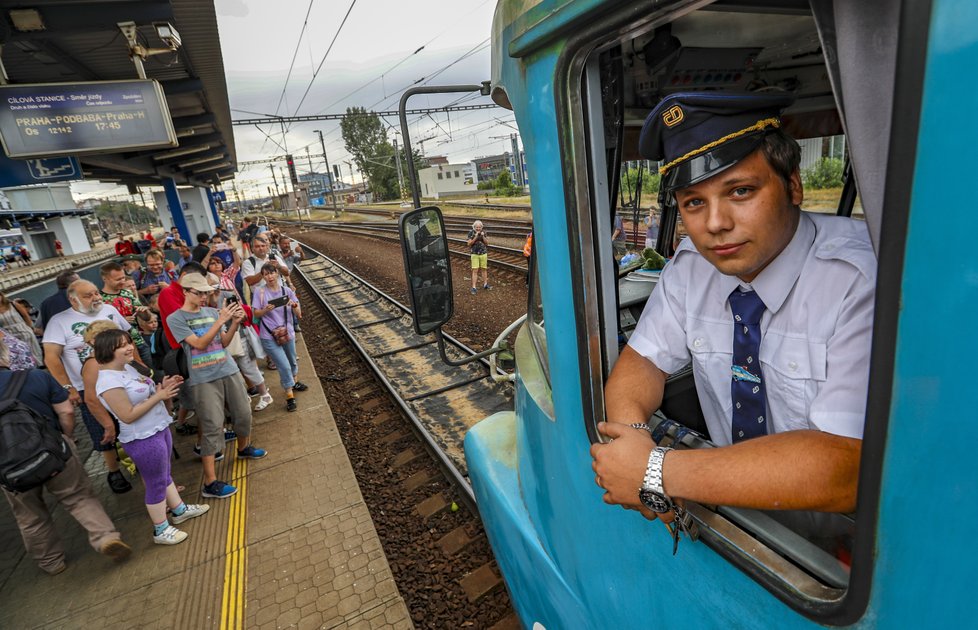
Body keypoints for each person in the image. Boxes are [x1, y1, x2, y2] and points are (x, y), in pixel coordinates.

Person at [591, 93, 875, 533]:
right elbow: (641, 363)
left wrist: (655, 473)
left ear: (793, 185)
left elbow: (844, 467)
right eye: (693, 203)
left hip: (845, 540)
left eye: (740, 191)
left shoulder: (858, 279)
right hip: (739, 523)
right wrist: (634, 439)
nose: (715, 224)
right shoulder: (691, 268)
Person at [0, 345, 132, 574]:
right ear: (5, 354)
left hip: (9, 469)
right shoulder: (36, 376)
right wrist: (66, 438)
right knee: (78, 497)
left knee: (30, 516)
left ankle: (51, 562)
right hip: (54, 452)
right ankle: (105, 538)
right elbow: (67, 412)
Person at [94, 329, 210, 545]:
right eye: (122, 345)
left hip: (157, 428)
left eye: (129, 342)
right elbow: (127, 415)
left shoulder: (126, 369)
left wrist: (163, 388)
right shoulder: (108, 381)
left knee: (164, 474)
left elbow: (144, 396)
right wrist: (159, 395)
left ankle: (179, 509)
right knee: (155, 483)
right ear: (107, 351)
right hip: (141, 438)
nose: (130, 347)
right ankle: (160, 529)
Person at [166, 274, 268, 499]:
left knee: (243, 413)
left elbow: (222, 342)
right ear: (185, 292)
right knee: (212, 424)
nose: (204, 297)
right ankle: (210, 482)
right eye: (199, 293)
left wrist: (234, 323)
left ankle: (243, 448)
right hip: (203, 378)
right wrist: (222, 320)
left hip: (228, 369)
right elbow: (200, 344)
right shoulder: (176, 319)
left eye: (206, 293)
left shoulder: (213, 313)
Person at [42, 280, 134, 494]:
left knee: (130, 419)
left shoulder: (110, 310)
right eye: (88, 295)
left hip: (122, 378)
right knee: (102, 429)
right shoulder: (59, 322)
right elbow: (51, 357)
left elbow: (129, 341)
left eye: (95, 293)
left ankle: (136, 458)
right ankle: (114, 471)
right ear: (72, 299)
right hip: (87, 387)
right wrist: (69, 387)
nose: (96, 298)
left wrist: (139, 368)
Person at [252, 263, 306, 412]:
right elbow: (255, 314)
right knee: (284, 365)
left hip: (287, 332)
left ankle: (294, 382)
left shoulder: (287, 291)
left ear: (277, 274)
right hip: (268, 335)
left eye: (272, 273)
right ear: (263, 277)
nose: (269, 276)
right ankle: (290, 396)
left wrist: (294, 306)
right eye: (266, 274)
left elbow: (299, 314)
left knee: (292, 360)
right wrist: (264, 310)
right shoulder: (260, 292)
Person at [99, 261, 150, 367]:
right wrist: (121, 321)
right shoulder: (99, 299)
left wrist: (144, 311)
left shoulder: (127, 293)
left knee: (150, 373)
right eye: (118, 279)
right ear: (105, 279)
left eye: (123, 277)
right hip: (119, 349)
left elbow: (146, 317)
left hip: (139, 342)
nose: (122, 281)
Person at [0, 290, 42, 364]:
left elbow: (26, 316)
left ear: (1, 296)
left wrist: (30, 328)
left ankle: (39, 368)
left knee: (33, 353)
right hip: (11, 335)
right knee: (21, 355)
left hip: (24, 331)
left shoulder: (13, 304)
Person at [466, 220, 491, 294]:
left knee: (484, 269)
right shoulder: (471, 232)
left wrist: (482, 236)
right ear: (474, 227)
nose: (478, 228)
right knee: (475, 270)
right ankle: (474, 287)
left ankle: (485, 284)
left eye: (479, 227)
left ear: (481, 227)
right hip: (474, 254)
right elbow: (469, 244)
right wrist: (476, 236)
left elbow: (487, 243)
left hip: (483, 253)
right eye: (477, 227)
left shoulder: (484, 232)